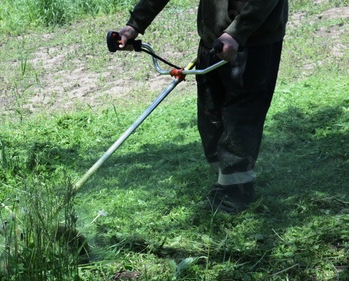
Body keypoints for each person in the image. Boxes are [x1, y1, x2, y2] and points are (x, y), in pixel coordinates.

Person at [118, 0, 288, 213]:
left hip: (253, 42)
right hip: (213, 41)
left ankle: (234, 194)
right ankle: (224, 179)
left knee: (240, 120)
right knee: (210, 118)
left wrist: (237, 31)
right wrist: (134, 25)